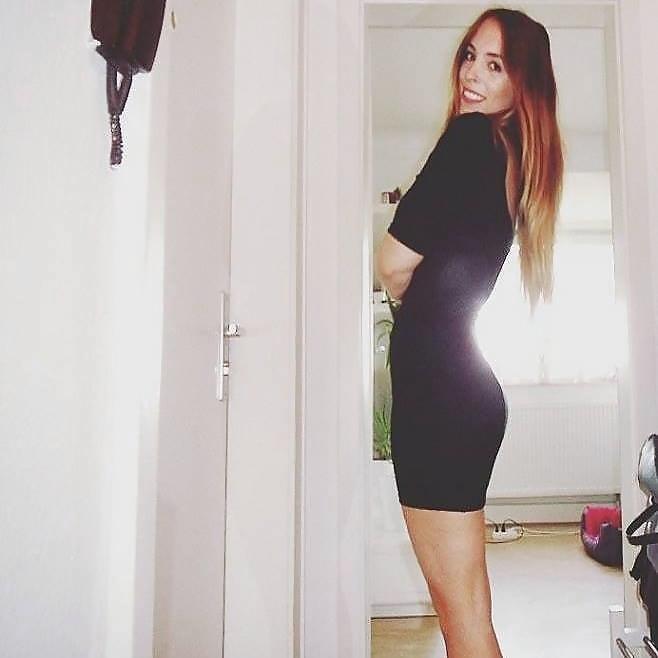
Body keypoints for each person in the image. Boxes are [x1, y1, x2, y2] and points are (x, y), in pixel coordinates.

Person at [374, 7, 563, 657]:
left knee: (463, 623)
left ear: (521, 84)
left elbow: (392, 263)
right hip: (461, 394)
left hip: (440, 399)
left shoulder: (468, 141)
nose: (472, 75)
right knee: (470, 617)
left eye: (495, 65)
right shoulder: (512, 159)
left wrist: (407, 292)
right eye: (470, 56)